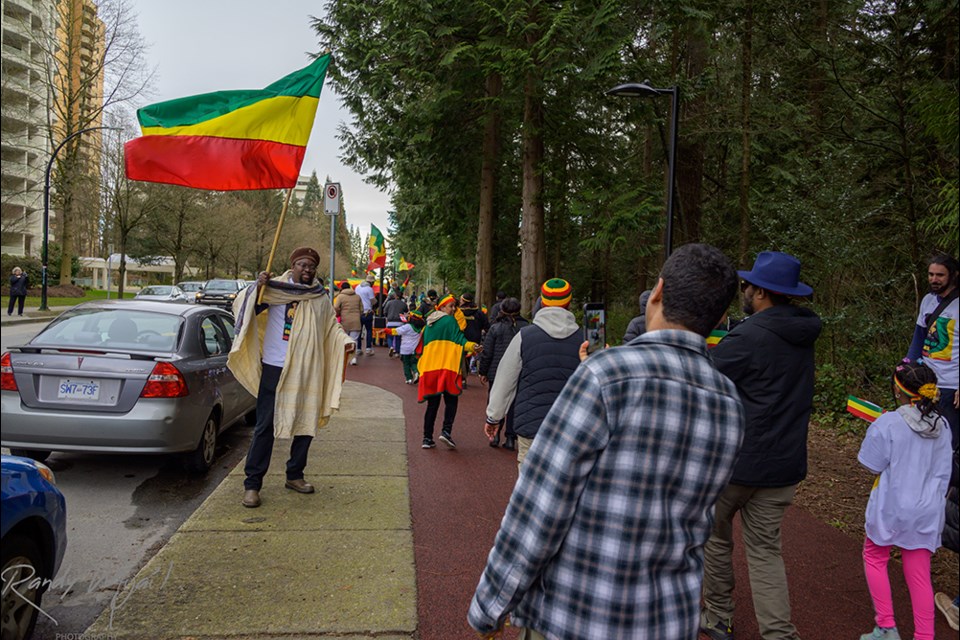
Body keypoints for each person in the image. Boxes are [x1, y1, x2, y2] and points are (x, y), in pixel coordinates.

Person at [468, 244, 744, 639]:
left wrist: (490, 605)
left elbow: (541, 506)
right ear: (719, 318)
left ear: (659, 292)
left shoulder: (605, 375)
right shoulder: (729, 402)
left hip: (580, 612)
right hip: (667, 618)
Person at [700, 250, 822, 640]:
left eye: (748, 285)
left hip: (735, 464)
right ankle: (779, 634)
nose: (745, 290)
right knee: (766, 552)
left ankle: (718, 617)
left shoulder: (749, 336)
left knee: (716, 541)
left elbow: (704, 380)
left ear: (763, 293)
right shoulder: (803, 335)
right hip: (782, 465)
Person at [228, 247, 356, 509]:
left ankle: (295, 475)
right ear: (293, 265)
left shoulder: (319, 297)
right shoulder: (272, 289)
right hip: (274, 366)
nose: (307, 270)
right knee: (264, 426)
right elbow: (245, 308)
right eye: (303, 265)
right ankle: (252, 484)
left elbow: (331, 326)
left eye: (312, 267)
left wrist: (345, 341)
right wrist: (257, 287)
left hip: (307, 367)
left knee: (306, 423)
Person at [857, 362, 952, 640]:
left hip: (892, 505)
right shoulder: (943, 425)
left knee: (875, 556)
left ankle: (886, 627)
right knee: (919, 572)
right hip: (927, 509)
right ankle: (924, 636)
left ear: (898, 391)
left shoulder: (888, 422)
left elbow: (870, 464)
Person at [482, 279, 581, 468]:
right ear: (568, 304)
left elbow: (505, 380)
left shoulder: (524, 337)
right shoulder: (586, 340)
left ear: (542, 303)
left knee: (529, 488)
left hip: (531, 424)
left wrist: (493, 417)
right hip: (572, 428)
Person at [906, 253, 959, 451]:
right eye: (930, 274)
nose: (934, 280)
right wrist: (906, 368)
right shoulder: (928, 300)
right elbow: (918, 339)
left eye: (940, 275)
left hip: (951, 386)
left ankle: (949, 481)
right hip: (926, 381)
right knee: (922, 436)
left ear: (953, 276)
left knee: (948, 442)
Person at [417, 294, 480, 449]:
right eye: (451, 306)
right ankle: (446, 432)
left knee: (432, 404)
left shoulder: (429, 323)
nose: (453, 309)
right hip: (447, 367)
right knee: (451, 400)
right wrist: (473, 346)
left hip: (430, 368)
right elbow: (459, 340)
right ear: (442, 307)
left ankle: (427, 438)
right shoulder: (449, 321)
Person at [478, 297, 528, 449]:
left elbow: (487, 352)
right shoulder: (526, 327)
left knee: (496, 399)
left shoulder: (496, 327)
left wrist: (483, 371)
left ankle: (494, 434)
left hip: (496, 370)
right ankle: (511, 437)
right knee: (514, 404)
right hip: (519, 371)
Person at [384, 310, 425, 383]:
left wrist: (385, 330)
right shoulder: (420, 328)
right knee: (413, 363)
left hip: (405, 349)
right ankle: (416, 372)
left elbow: (395, 331)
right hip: (415, 349)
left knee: (406, 363)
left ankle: (408, 378)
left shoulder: (407, 327)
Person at [333, 281, 363, 366]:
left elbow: (335, 307)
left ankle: (344, 358)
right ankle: (353, 359)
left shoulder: (340, 296)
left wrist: (338, 313)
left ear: (342, 288)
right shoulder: (357, 297)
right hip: (356, 321)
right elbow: (361, 309)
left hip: (344, 321)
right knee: (354, 340)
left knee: (344, 340)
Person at [459, 292, 488, 375]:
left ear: (464, 301)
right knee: (469, 357)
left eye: (461, 300)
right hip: (475, 339)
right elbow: (486, 326)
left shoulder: (459, 313)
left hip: (462, 338)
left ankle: (462, 376)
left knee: (461, 357)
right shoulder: (479, 313)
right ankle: (467, 372)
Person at [382, 289, 408, 357]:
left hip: (390, 322)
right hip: (400, 323)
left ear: (395, 296)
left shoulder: (389, 303)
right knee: (398, 338)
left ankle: (391, 347)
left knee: (389, 337)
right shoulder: (403, 304)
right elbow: (406, 312)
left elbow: (384, 312)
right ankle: (397, 352)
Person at [356, 273, 377, 355]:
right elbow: (373, 301)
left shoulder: (358, 287)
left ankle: (358, 348)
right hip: (368, 312)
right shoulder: (369, 289)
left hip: (359, 312)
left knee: (359, 331)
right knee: (369, 330)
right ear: (371, 282)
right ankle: (368, 348)